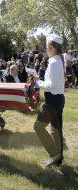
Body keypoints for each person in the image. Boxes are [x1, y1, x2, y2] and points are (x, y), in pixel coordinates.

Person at [34, 34, 65, 166]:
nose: (46, 50)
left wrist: (38, 83)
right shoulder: (58, 60)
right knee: (56, 129)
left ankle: (55, 155)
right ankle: (58, 159)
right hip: (58, 99)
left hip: (52, 100)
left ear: (52, 47)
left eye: (47, 47)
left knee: (38, 126)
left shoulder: (53, 62)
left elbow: (51, 85)